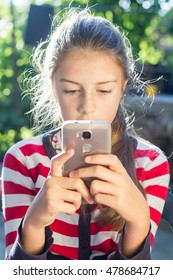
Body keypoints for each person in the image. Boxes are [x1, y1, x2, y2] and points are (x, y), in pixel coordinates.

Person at [1, 8, 170, 260]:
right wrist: (33, 225)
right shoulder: (23, 160)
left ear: (122, 88)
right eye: (71, 90)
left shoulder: (151, 164)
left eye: (103, 91)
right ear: (53, 86)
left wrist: (137, 220)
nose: (87, 106)